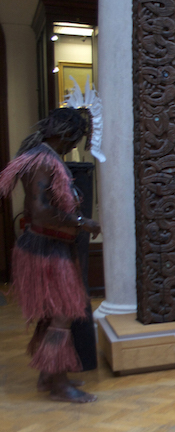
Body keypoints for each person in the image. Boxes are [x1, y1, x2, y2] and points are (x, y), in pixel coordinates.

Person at [0, 108, 100, 402]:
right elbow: (42, 212)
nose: (73, 145)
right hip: (47, 249)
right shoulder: (43, 161)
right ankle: (59, 385)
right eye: (74, 138)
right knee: (62, 314)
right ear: (64, 133)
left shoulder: (43, 157)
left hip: (47, 247)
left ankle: (48, 375)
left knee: (51, 314)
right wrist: (83, 223)